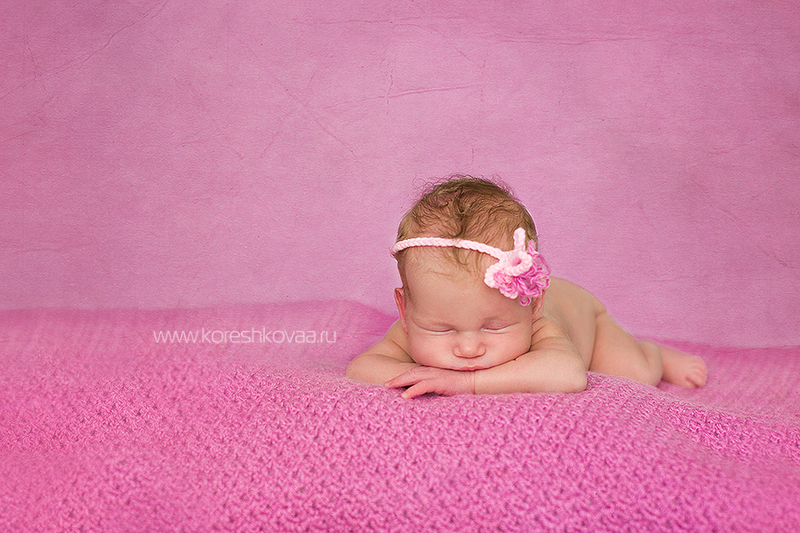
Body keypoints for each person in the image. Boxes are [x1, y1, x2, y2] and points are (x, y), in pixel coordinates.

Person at [346, 176, 707, 398]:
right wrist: (417, 376)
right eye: (442, 329)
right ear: (405, 310)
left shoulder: (540, 327)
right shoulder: (412, 326)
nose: (468, 348)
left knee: (633, 373)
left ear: (532, 305)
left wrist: (466, 385)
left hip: (587, 320)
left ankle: (655, 354)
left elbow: (567, 374)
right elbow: (361, 369)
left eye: (494, 326)